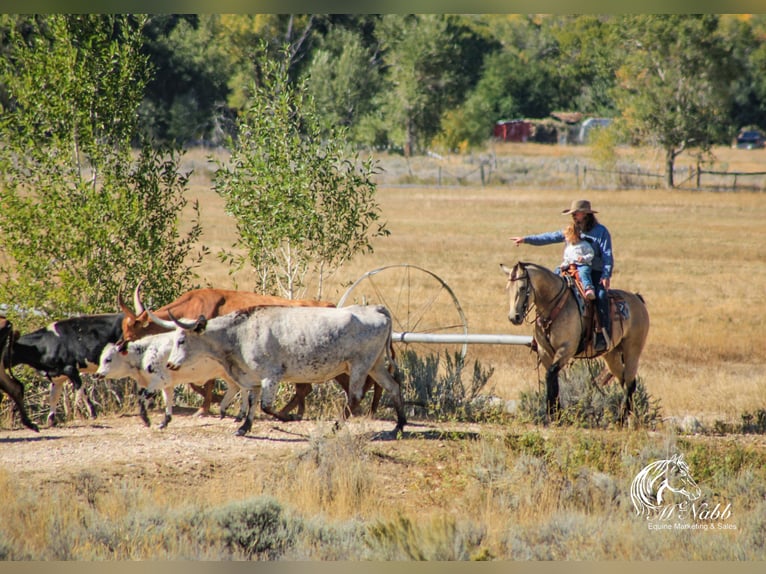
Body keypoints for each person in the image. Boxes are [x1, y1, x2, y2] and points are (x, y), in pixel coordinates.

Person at [510, 199, 613, 352]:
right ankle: (539, 335)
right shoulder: (571, 230)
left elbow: (607, 255)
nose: (574, 216)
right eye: (573, 214)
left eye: (576, 213)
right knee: (548, 290)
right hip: (568, 269)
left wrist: (606, 275)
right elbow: (549, 237)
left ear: (586, 214)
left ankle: (603, 334)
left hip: (592, 271)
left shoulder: (601, 232)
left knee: (601, 295)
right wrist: (526, 239)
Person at [560, 222, 596, 301]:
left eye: (568, 236)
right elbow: (566, 258)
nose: (566, 238)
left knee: (583, 273)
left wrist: (583, 258)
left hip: (582, 265)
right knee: (557, 272)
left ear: (575, 235)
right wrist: (564, 265)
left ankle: (588, 288)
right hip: (570, 266)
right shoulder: (568, 247)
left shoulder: (584, 244)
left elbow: (591, 254)